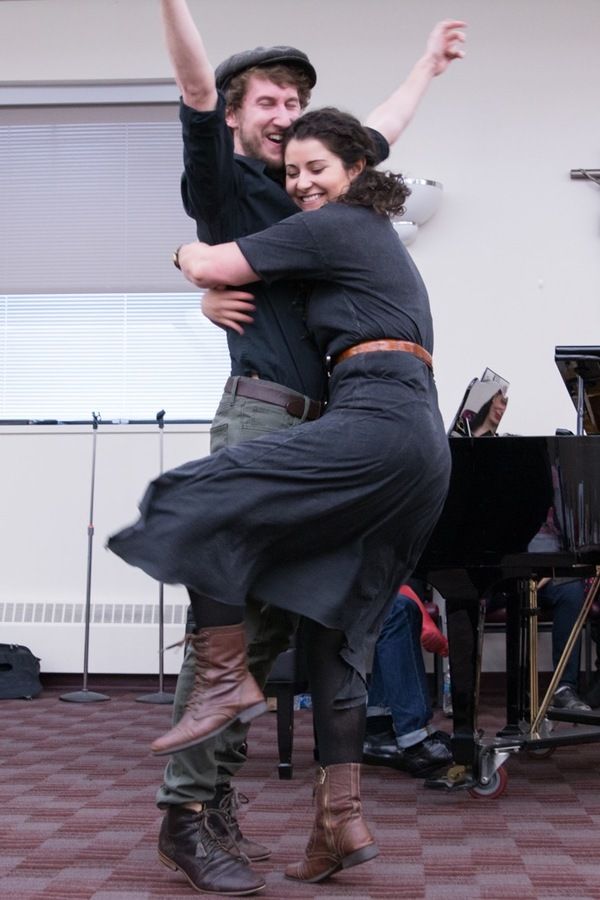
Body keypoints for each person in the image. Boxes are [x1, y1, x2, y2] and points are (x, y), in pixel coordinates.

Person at [155, 2, 466, 895]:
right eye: (266, 100)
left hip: (334, 432)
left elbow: (382, 129)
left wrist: (428, 65)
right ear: (237, 113)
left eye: (296, 100)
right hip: (263, 417)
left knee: (304, 624)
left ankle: (234, 806)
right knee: (238, 629)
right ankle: (186, 817)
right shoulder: (226, 186)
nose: (284, 111)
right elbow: (190, 85)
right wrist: (187, 261)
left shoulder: (319, 187)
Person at [363, 581, 453, 776]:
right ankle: (414, 740)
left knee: (400, 605)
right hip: (317, 586)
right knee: (398, 608)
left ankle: (379, 729)